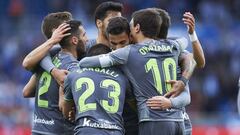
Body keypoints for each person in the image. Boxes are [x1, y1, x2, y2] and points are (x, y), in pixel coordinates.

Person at [79, 9, 191, 135]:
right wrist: (192, 35)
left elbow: (84, 63)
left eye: (131, 25)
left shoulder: (128, 52)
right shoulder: (173, 46)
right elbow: (186, 43)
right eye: (114, 44)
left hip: (152, 119)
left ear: (136, 29)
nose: (118, 47)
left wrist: (112, 55)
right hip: (177, 120)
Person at [146, 8, 205, 135]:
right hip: (167, 120)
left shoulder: (172, 51)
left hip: (174, 119)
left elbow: (199, 62)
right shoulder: (143, 50)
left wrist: (192, 34)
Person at [61, 44, 130, 135]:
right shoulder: (123, 78)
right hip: (114, 131)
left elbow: (66, 111)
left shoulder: (73, 75)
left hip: (86, 130)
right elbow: (134, 105)